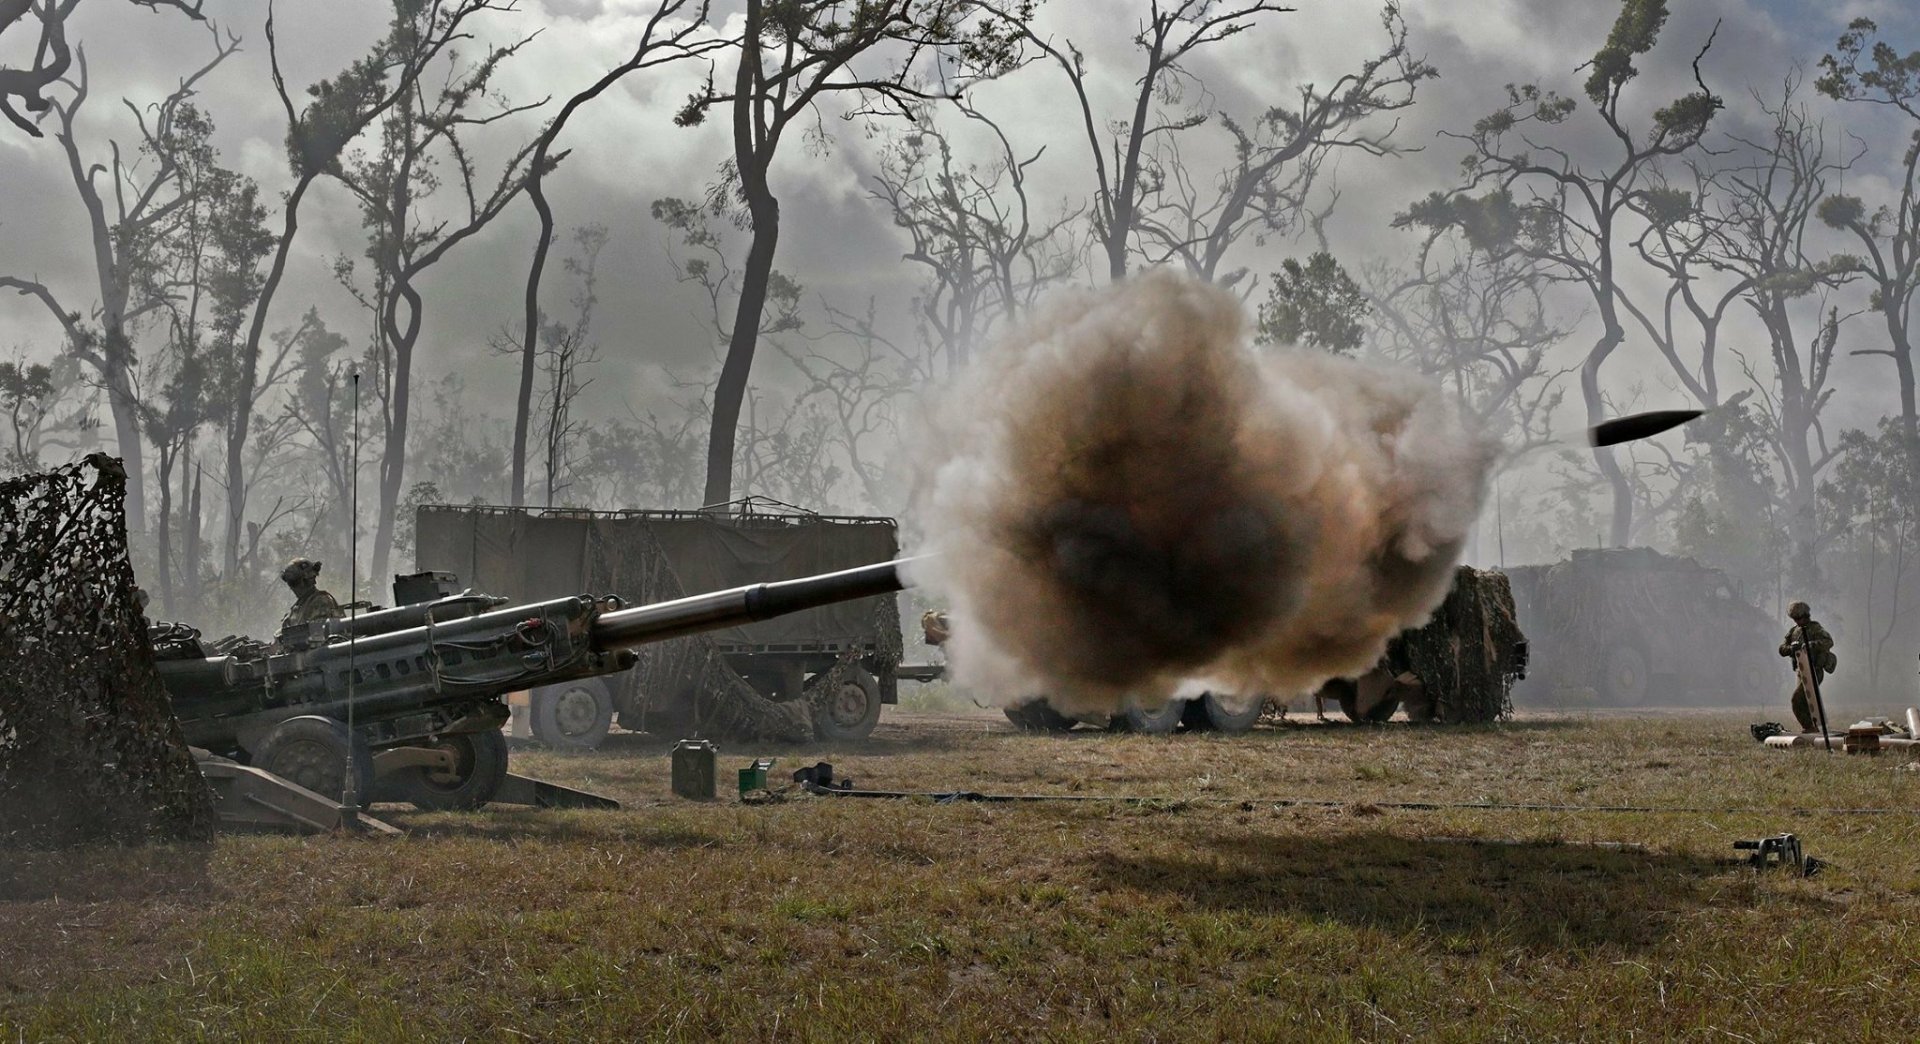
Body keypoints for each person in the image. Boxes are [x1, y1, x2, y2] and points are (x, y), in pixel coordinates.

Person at [1778, 600, 1834, 734]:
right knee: (1807, 701)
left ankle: (1809, 727)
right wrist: (1791, 648)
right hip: (1801, 671)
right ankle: (1816, 727)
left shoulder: (1815, 628)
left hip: (1814, 669)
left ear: (1806, 616)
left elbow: (1828, 642)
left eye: (1800, 618)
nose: (1798, 621)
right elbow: (1781, 649)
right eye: (1795, 619)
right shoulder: (1794, 632)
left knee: (1797, 699)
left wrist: (1812, 645)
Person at [279, 558, 342, 633]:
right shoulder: (297, 608)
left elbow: (318, 633)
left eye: (293, 583)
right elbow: (285, 636)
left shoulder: (320, 601)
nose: (292, 588)